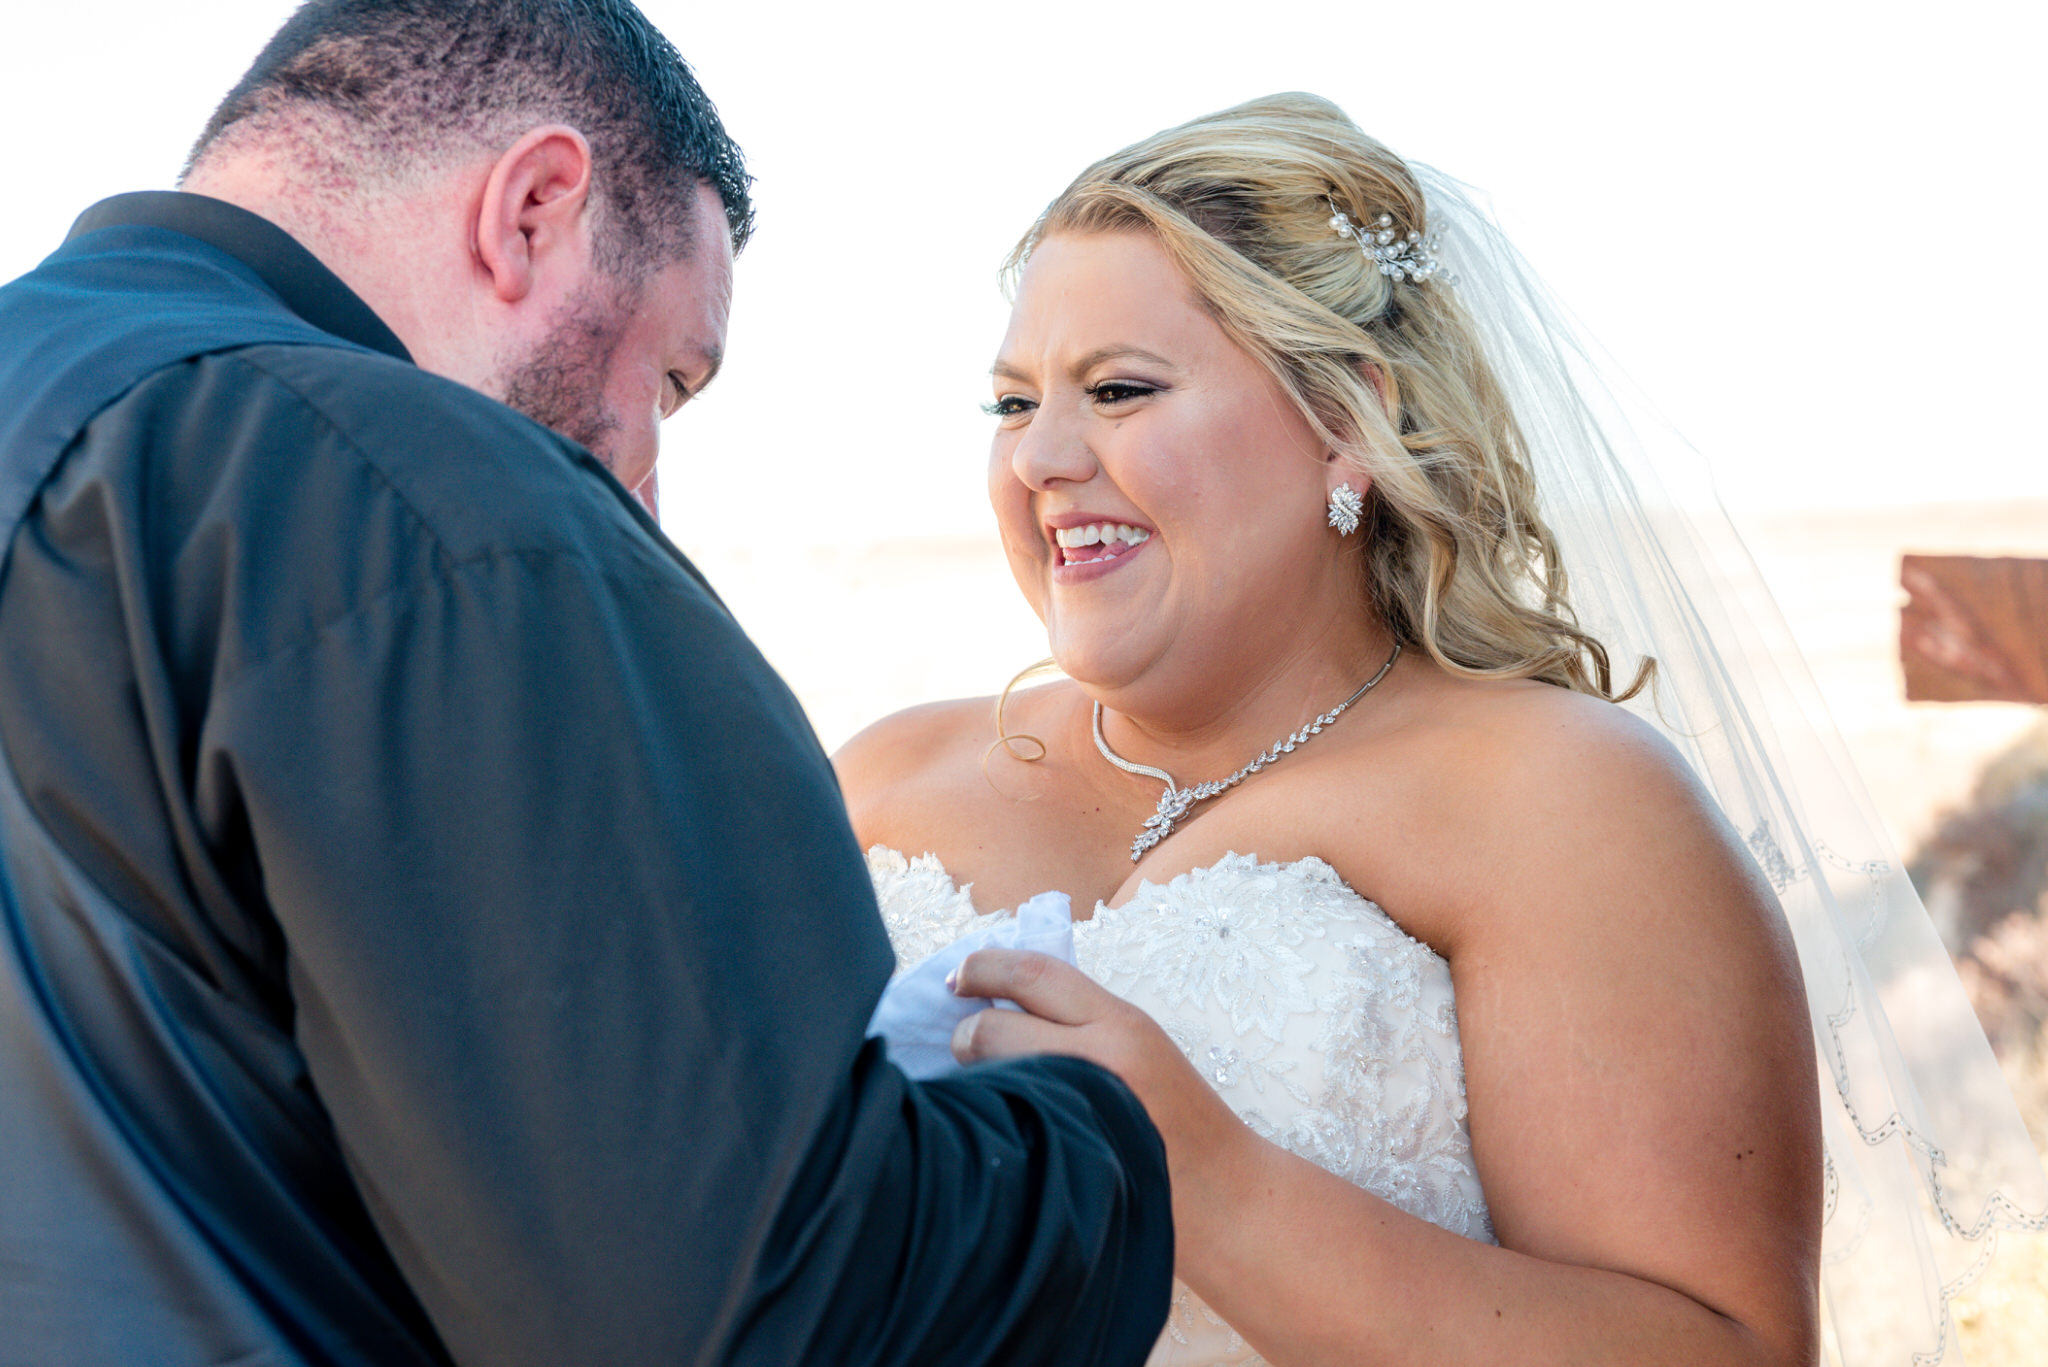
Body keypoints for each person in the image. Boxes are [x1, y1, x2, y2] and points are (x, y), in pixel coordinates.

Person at [0, 3, 1175, 1364]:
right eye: (670, 379)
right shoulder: (435, 503)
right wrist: (1082, 1137)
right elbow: (747, 1309)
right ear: (536, 208)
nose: (645, 487)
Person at [837, 94, 2048, 1366]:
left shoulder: (1556, 799)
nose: (1039, 456)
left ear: (1347, 422)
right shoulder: (883, 782)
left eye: (1118, 389)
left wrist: (1211, 1187)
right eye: (1011, 404)